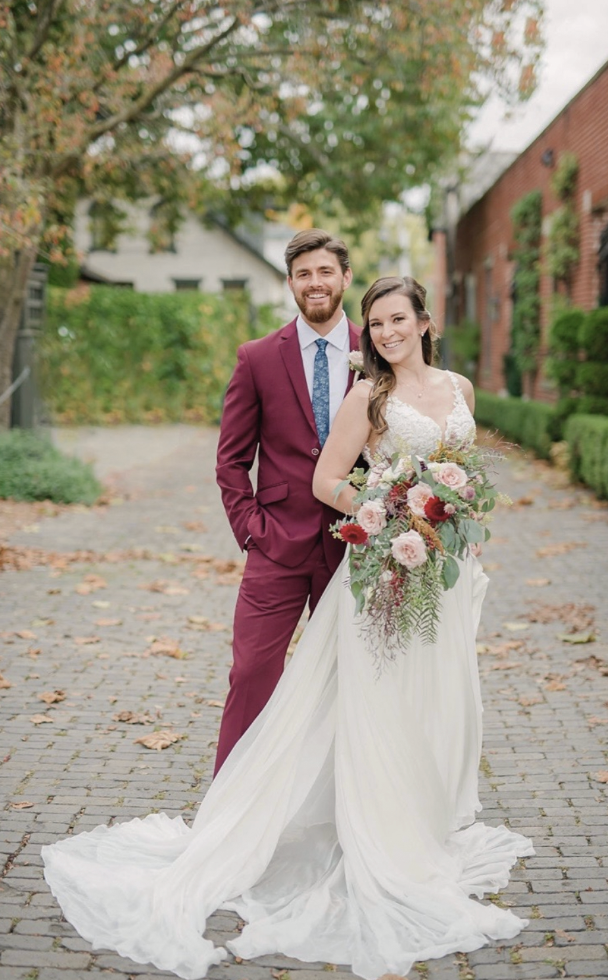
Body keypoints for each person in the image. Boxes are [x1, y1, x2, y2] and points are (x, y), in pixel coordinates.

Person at [42, 276, 533, 980]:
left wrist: (461, 520)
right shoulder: (371, 396)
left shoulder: (460, 387)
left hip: (446, 574)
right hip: (388, 567)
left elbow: (464, 472)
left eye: (399, 319)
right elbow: (326, 481)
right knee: (379, 702)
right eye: (377, 323)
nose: (388, 332)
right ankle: (379, 840)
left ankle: (422, 822)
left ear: (425, 322)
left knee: (437, 695)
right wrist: (384, 507)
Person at [213, 228, 360, 774]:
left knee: (354, 679)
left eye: (325, 271)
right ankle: (231, 811)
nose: (315, 283)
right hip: (275, 543)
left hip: (358, 545)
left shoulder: (379, 351)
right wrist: (251, 528)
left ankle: (342, 806)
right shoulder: (257, 358)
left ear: (345, 277)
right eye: (303, 274)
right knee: (251, 672)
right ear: (290, 283)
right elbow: (231, 459)